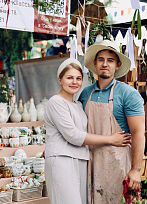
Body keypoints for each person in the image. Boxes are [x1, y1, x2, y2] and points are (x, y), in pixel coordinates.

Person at [44, 58, 131, 204]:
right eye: (69, 78)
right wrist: (110, 139)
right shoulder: (56, 102)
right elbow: (73, 135)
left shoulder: (78, 104)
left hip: (81, 160)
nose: (74, 82)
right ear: (60, 80)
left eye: (78, 78)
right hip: (62, 160)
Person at [78, 40, 145, 203]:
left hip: (117, 165)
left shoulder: (129, 94)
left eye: (110, 60)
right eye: (101, 59)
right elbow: (77, 131)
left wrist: (136, 170)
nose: (105, 64)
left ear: (117, 64)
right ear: (95, 63)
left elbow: (138, 133)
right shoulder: (85, 93)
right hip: (89, 163)